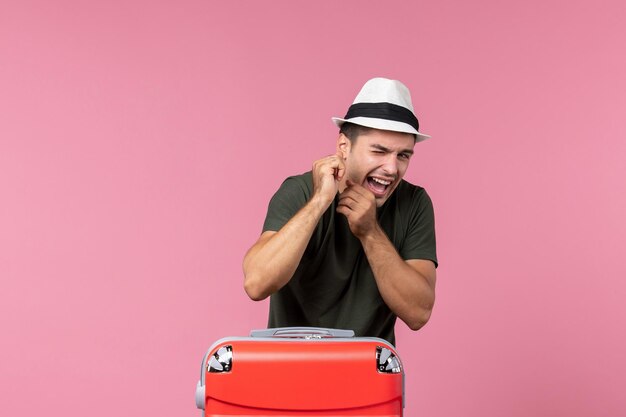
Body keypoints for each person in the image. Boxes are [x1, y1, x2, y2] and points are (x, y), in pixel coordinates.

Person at [243, 77, 438, 345]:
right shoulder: (299, 191)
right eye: (379, 151)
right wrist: (320, 201)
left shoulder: (414, 203)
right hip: (292, 367)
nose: (392, 169)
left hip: (369, 375)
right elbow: (256, 283)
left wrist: (370, 232)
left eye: (403, 155)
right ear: (344, 147)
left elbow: (419, 312)